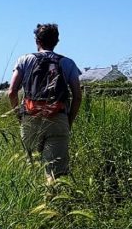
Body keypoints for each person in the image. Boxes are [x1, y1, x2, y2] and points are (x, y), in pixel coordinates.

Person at [8, 23, 82, 180]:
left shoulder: (24, 60)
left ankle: (33, 199)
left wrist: (19, 116)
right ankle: (52, 200)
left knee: (33, 166)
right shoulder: (68, 63)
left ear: (37, 40)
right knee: (54, 172)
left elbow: (12, 92)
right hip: (58, 117)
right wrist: (69, 120)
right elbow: (77, 96)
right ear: (57, 41)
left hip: (30, 116)